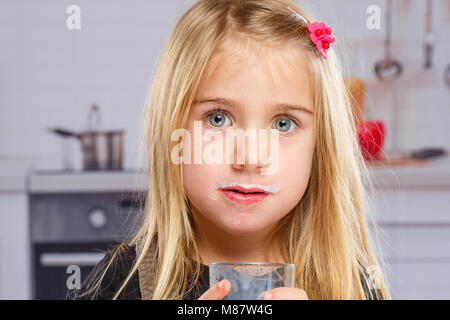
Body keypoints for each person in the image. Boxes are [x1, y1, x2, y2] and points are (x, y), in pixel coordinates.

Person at [72, 0, 390, 300]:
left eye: (284, 124)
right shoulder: (118, 283)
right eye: (218, 118)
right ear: (172, 131)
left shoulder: (354, 284)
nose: (250, 158)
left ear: (320, 147)